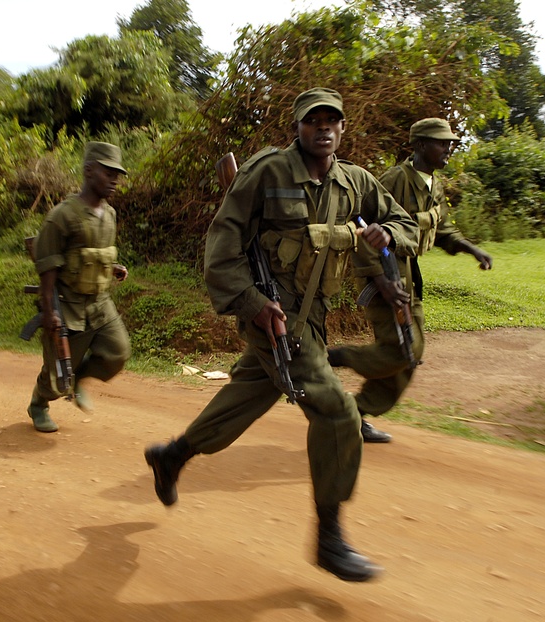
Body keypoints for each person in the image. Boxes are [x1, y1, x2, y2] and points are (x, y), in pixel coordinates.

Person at [143, 88, 419, 583]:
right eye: (314, 120)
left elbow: (403, 222)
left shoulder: (355, 183)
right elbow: (222, 243)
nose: (324, 128)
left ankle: (171, 456)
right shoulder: (266, 172)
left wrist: (387, 237)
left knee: (248, 395)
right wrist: (250, 303)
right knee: (336, 411)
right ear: (297, 126)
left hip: (313, 317)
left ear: (343, 128)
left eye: (332, 120)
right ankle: (330, 538)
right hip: (272, 313)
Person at [330, 117, 493, 443]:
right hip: (384, 274)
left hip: (408, 274)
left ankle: (355, 413)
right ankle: (329, 357)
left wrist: (470, 248)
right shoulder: (395, 179)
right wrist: (381, 280)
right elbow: (363, 230)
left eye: (450, 143)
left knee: (410, 355)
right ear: (419, 146)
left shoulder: (433, 184)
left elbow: (441, 228)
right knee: (403, 351)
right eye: (441, 143)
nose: (448, 149)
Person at [27, 141, 132, 433]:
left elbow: (90, 254)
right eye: (108, 173)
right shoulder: (62, 216)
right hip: (67, 303)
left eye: (117, 174)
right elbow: (48, 268)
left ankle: (79, 380)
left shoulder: (109, 215)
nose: (114, 180)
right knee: (56, 374)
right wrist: (49, 312)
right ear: (88, 171)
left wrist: (113, 268)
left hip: (100, 302)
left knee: (118, 352)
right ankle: (39, 403)